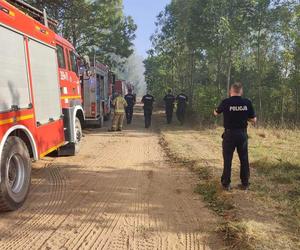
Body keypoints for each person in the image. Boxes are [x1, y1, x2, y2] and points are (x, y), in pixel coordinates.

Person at [214, 82, 257, 191]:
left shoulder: (226, 102)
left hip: (229, 134)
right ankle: (245, 183)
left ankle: (226, 184)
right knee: (244, 158)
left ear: (231, 91)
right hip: (242, 134)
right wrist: (243, 117)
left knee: (227, 158)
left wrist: (216, 111)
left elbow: (216, 113)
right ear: (241, 91)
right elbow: (253, 120)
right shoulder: (247, 102)